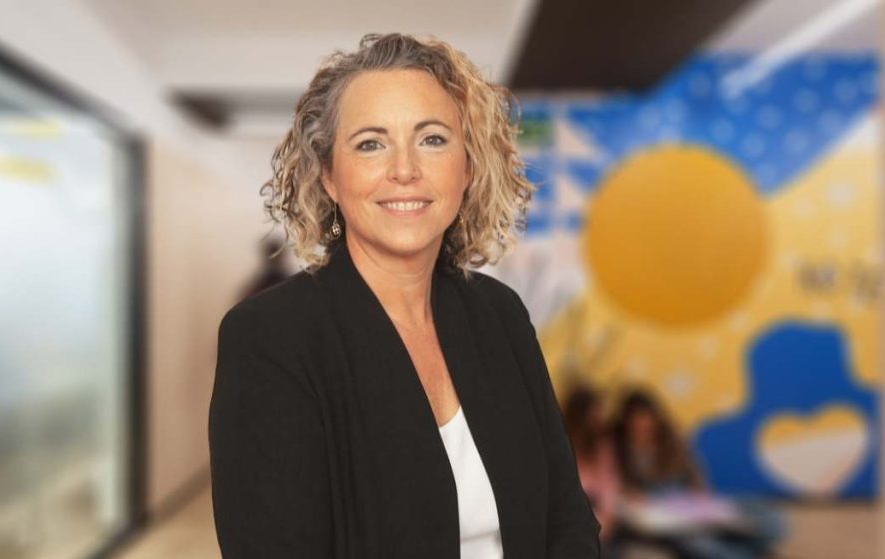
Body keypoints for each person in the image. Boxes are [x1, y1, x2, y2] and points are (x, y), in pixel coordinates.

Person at [207, 33, 601, 558]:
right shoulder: (269, 338)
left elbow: (567, 517)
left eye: (432, 139)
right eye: (371, 143)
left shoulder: (501, 315)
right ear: (329, 176)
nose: (405, 169)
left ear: (467, 166)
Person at [610, 389, 785, 559]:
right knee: (697, 543)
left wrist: (699, 491)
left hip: (685, 498)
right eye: (635, 419)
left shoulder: (669, 438)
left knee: (762, 520)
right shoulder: (616, 446)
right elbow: (616, 485)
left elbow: (692, 470)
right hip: (655, 507)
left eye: (646, 417)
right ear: (626, 420)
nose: (641, 424)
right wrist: (631, 494)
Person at [563, 384, 621, 543]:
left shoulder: (603, 445)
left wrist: (607, 516)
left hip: (603, 524)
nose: (600, 418)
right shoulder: (563, 447)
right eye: (594, 413)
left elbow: (610, 484)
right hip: (578, 525)